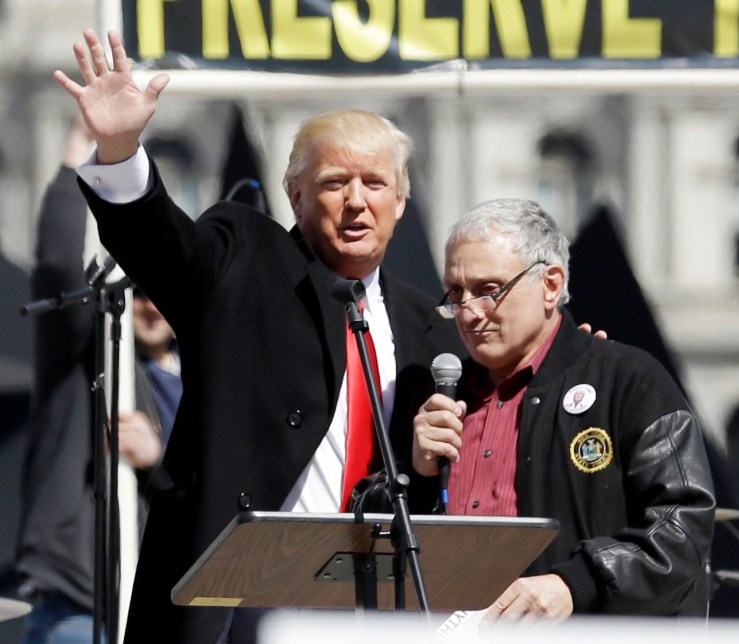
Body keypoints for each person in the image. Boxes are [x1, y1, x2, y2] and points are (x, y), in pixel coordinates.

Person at [53, 29, 466, 644]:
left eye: (375, 184)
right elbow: (164, 248)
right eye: (334, 183)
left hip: (372, 605)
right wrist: (119, 147)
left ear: (401, 201)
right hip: (239, 600)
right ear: (295, 195)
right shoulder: (245, 261)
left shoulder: (429, 328)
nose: (356, 202)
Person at [358, 197, 717, 619]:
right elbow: (358, 533)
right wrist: (414, 475)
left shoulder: (626, 379)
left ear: (550, 284)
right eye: (456, 293)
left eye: (489, 291)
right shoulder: (437, 396)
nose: (469, 313)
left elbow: (683, 528)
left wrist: (575, 584)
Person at [15, 115, 181, 644]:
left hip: (163, 611)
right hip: (81, 610)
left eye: (163, 288)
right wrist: (78, 151)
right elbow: (60, 266)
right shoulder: (89, 353)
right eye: (138, 289)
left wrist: (160, 457)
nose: (150, 302)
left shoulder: (200, 376)